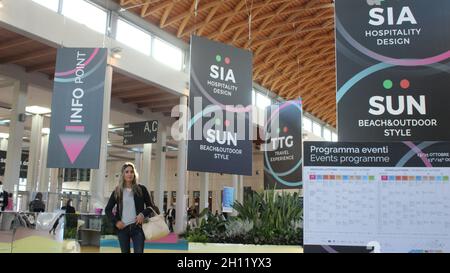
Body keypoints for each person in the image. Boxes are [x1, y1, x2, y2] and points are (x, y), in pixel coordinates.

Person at [105, 162, 159, 253]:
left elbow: (151, 206)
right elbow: (108, 209)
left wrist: (142, 214)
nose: (129, 174)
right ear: (123, 174)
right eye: (127, 172)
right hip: (122, 229)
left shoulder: (141, 189)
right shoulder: (118, 191)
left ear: (134, 174)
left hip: (138, 228)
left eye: (131, 172)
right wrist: (116, 222)